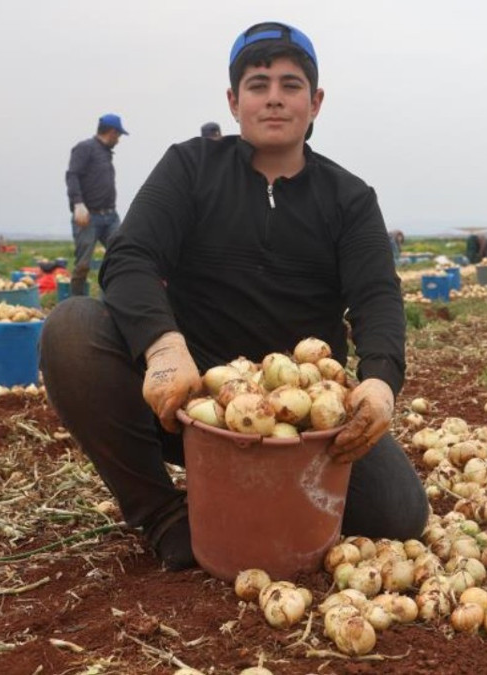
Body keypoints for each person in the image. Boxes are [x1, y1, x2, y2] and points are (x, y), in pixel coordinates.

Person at [39, 21, 428, 571]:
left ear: (315, 103)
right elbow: (130, 258)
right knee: (71, 330)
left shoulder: (349, 198)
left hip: (304, 417)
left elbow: (378, 297)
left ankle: (263, 492)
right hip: (187, 397)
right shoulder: (190, 167)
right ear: (233, 100)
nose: (274, 97)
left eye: (291, 85)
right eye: (258, 83)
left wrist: (381, 380)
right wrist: (163, 347)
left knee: (398, 514)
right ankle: (163, 515)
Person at [65, 113, 129, 296]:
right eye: (118, 136)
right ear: (112, 132)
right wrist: (78, 204)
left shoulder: (106, 153)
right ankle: (75, 305)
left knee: (122, 254)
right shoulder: (85, 148)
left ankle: (110, 300)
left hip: (110, 217)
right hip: (89, 216)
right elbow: (72, 175)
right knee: (83, 264)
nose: (119, 140)